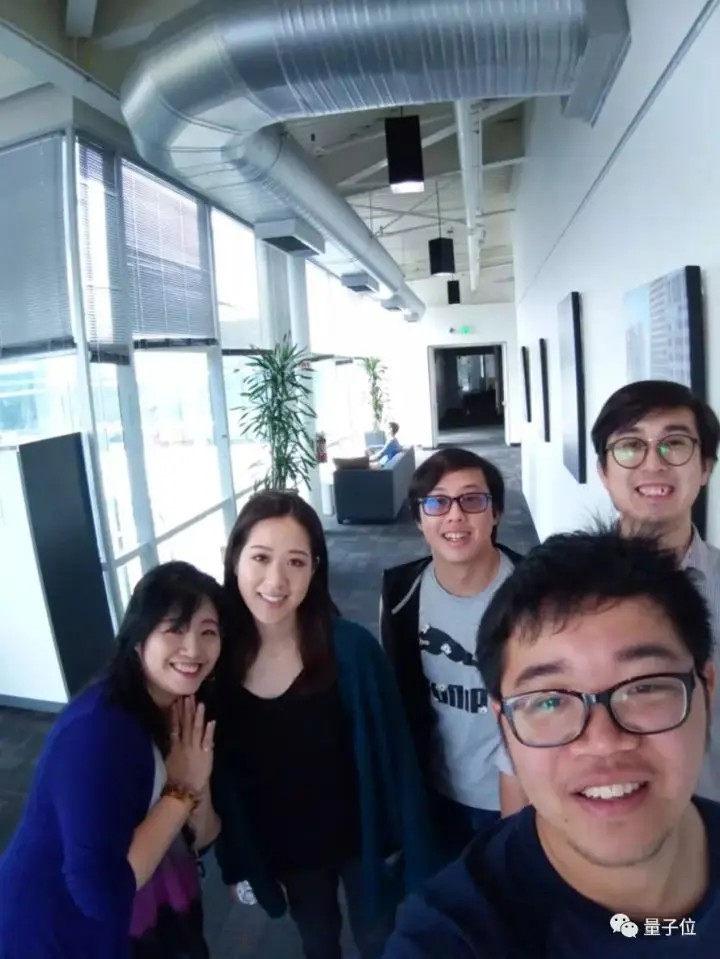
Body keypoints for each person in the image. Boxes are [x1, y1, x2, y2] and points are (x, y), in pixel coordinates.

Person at [383, 526, 720, 958]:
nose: (603, 742)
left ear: (707, 690)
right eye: (549, 701)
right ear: (504, 726)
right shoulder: (452, 936)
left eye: (644, 687)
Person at [211, 490, 438, 959]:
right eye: (260, 558)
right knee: (318, 941)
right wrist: (238, 862)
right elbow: (221, 782)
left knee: (380, 938)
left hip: (362, 839)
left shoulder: (352, 651)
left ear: (315, 569)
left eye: (296, 562)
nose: (276, 580)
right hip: (287, 849)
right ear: (234, 560)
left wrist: (413, 848)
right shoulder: (216, 664)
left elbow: (397, 758)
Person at [500, 379, 720, 816]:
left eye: (674, 444)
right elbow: (521, 739)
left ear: (706, 468)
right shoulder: (556, 587)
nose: (653, 463)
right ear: (603, 471)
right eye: (630, 446)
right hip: (589, 821)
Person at [0, 561, 228, 959]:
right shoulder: (96, 732)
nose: (193, 649)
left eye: (207, 632)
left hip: (147, 913)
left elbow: (202, 838)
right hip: (57, 931)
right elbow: (100, 895)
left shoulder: (185, 711)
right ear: (138, 638)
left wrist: (192, 789)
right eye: (174, 629)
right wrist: (182, 792)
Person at [380, 447, 524, 858]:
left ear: (496, 513)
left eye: (472, 500)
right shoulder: (400, 595)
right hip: (437, 794)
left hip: (521, 793)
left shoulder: (536, 592)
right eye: (437, 503)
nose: (455, 516)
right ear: (418, 518)